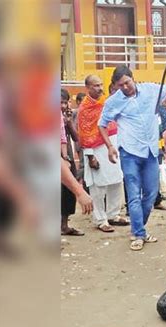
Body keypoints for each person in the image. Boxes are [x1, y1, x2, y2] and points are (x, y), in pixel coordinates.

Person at [99, 65, 166, 251]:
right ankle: (138, 233)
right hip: (129, 153)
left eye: (127, 83)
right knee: (134, 194)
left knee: (152, 193)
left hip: (151, 151)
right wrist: (110, 147)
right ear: (116, 86)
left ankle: (139, 228)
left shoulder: (151, 90)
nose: (126, 87)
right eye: (121, 85)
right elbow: (102, 125)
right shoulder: (113, 102)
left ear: (133, 78)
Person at [78, 75, 128, 233]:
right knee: (98, 186)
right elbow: (84, 135)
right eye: (96, 86)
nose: (100, 88)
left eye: (101, 85)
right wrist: (90, 156)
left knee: (116, 181)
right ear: (87, 88)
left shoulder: (105, 102)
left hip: (111, 145)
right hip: (95, 149)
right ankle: (100, 219)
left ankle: (113, 214)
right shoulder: (84, 108)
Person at [61, 89, 84, 236]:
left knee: (69, 191)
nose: (62, 105)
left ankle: (64, 224)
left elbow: (76, 138)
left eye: (65, 102)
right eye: (60, 102)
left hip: (66, 155)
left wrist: (68, 123)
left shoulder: (68, 117)